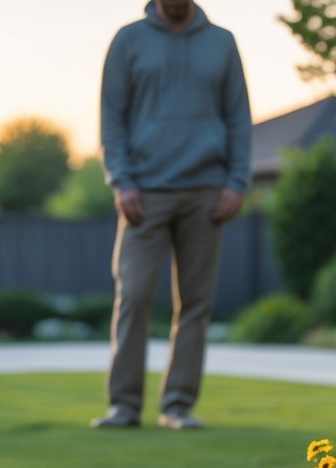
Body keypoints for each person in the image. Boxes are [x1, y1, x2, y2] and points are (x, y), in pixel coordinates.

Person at [92, 0, 252, 429]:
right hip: (143, 193)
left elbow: (239, 118)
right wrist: (121, 181)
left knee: (195, 304)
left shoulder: (222, 43)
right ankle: (123, 406)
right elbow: (112, 117)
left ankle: (177, 406)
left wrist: (236, 183)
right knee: (134, 295)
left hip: (206, 192)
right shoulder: (129, 41)